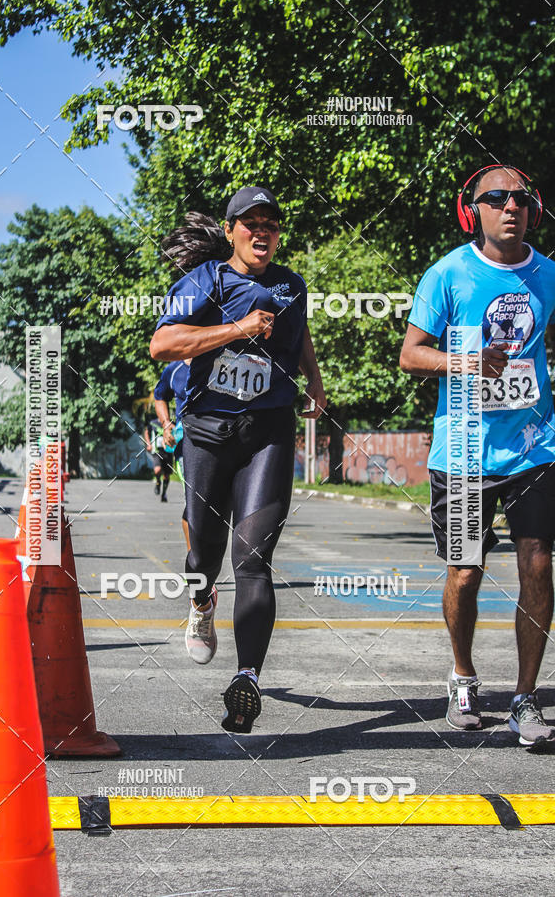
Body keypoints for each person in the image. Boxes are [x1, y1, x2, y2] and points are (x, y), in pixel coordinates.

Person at [150, 187, 326, 733]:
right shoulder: (203, 282)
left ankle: (247, 679)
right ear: (230, 231)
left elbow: (300, 340)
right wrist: (237, 328)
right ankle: (201, 603)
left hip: (268, 431)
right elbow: (163, 344)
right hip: (207, 432)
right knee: (204, 551)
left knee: (253, 558)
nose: (262, 231)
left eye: (271, 222)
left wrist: (315, 381)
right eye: (250, 222)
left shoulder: (291, 285)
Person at [400, 164, 555, 748]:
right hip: (464, 448)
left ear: (533, 210)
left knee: (538, 562)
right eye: (496, 198)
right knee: (465, 572)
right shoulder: (448, 275)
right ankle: (463, 676)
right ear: (474, 211)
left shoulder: (550, 276)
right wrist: (465, 363)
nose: (509, 206)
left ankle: (525, 697)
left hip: (535, 447)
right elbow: (411, 355)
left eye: (519, 198)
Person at [153, 359, 192, 549]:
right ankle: (195, 566)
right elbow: (160, 396)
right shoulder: (175, 368)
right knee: (194, 503)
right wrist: (166, 424)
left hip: (224, 442)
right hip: (186, 444)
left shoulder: (221, 360)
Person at [143, 414, 173, 502]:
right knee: (157, 470)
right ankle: (158, 482)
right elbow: (146, 432)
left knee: (166, 475)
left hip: (168, 450)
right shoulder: (153, 423)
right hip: (157, 450)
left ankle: (164, 494)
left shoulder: (171, 423)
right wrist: (148, 444)